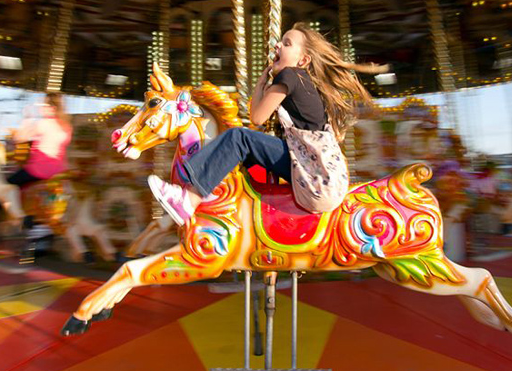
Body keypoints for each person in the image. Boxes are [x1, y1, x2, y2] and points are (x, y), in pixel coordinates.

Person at [148, 22, 385, 225]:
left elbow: (257, 118)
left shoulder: (291, 75)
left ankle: (188, 199)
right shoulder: (304, 83)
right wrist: (263, 80)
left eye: (287, 43)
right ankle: (230, 209)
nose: (278, 46)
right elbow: (257, 117)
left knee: (238, 138)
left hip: (314, 178)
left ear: (303, 59)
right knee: (244, 153)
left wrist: (268, 81)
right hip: (323, 180)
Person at [8, 93, 73, 187]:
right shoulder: (66, 126)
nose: (40, 109)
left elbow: (20, 138)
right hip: (58, 171)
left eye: (43, 106)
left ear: (52, 108)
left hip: (38, 170)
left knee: (8, 187)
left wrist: (27, 119)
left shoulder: (44, 123)